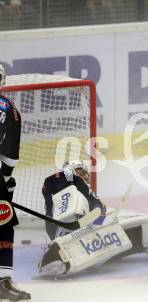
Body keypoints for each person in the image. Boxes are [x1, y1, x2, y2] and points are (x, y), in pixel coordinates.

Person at [0, 64, 31, 301]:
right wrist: (4, 182)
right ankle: (2, 282)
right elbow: (10, 156)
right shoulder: (9, 110)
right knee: (3, 221)